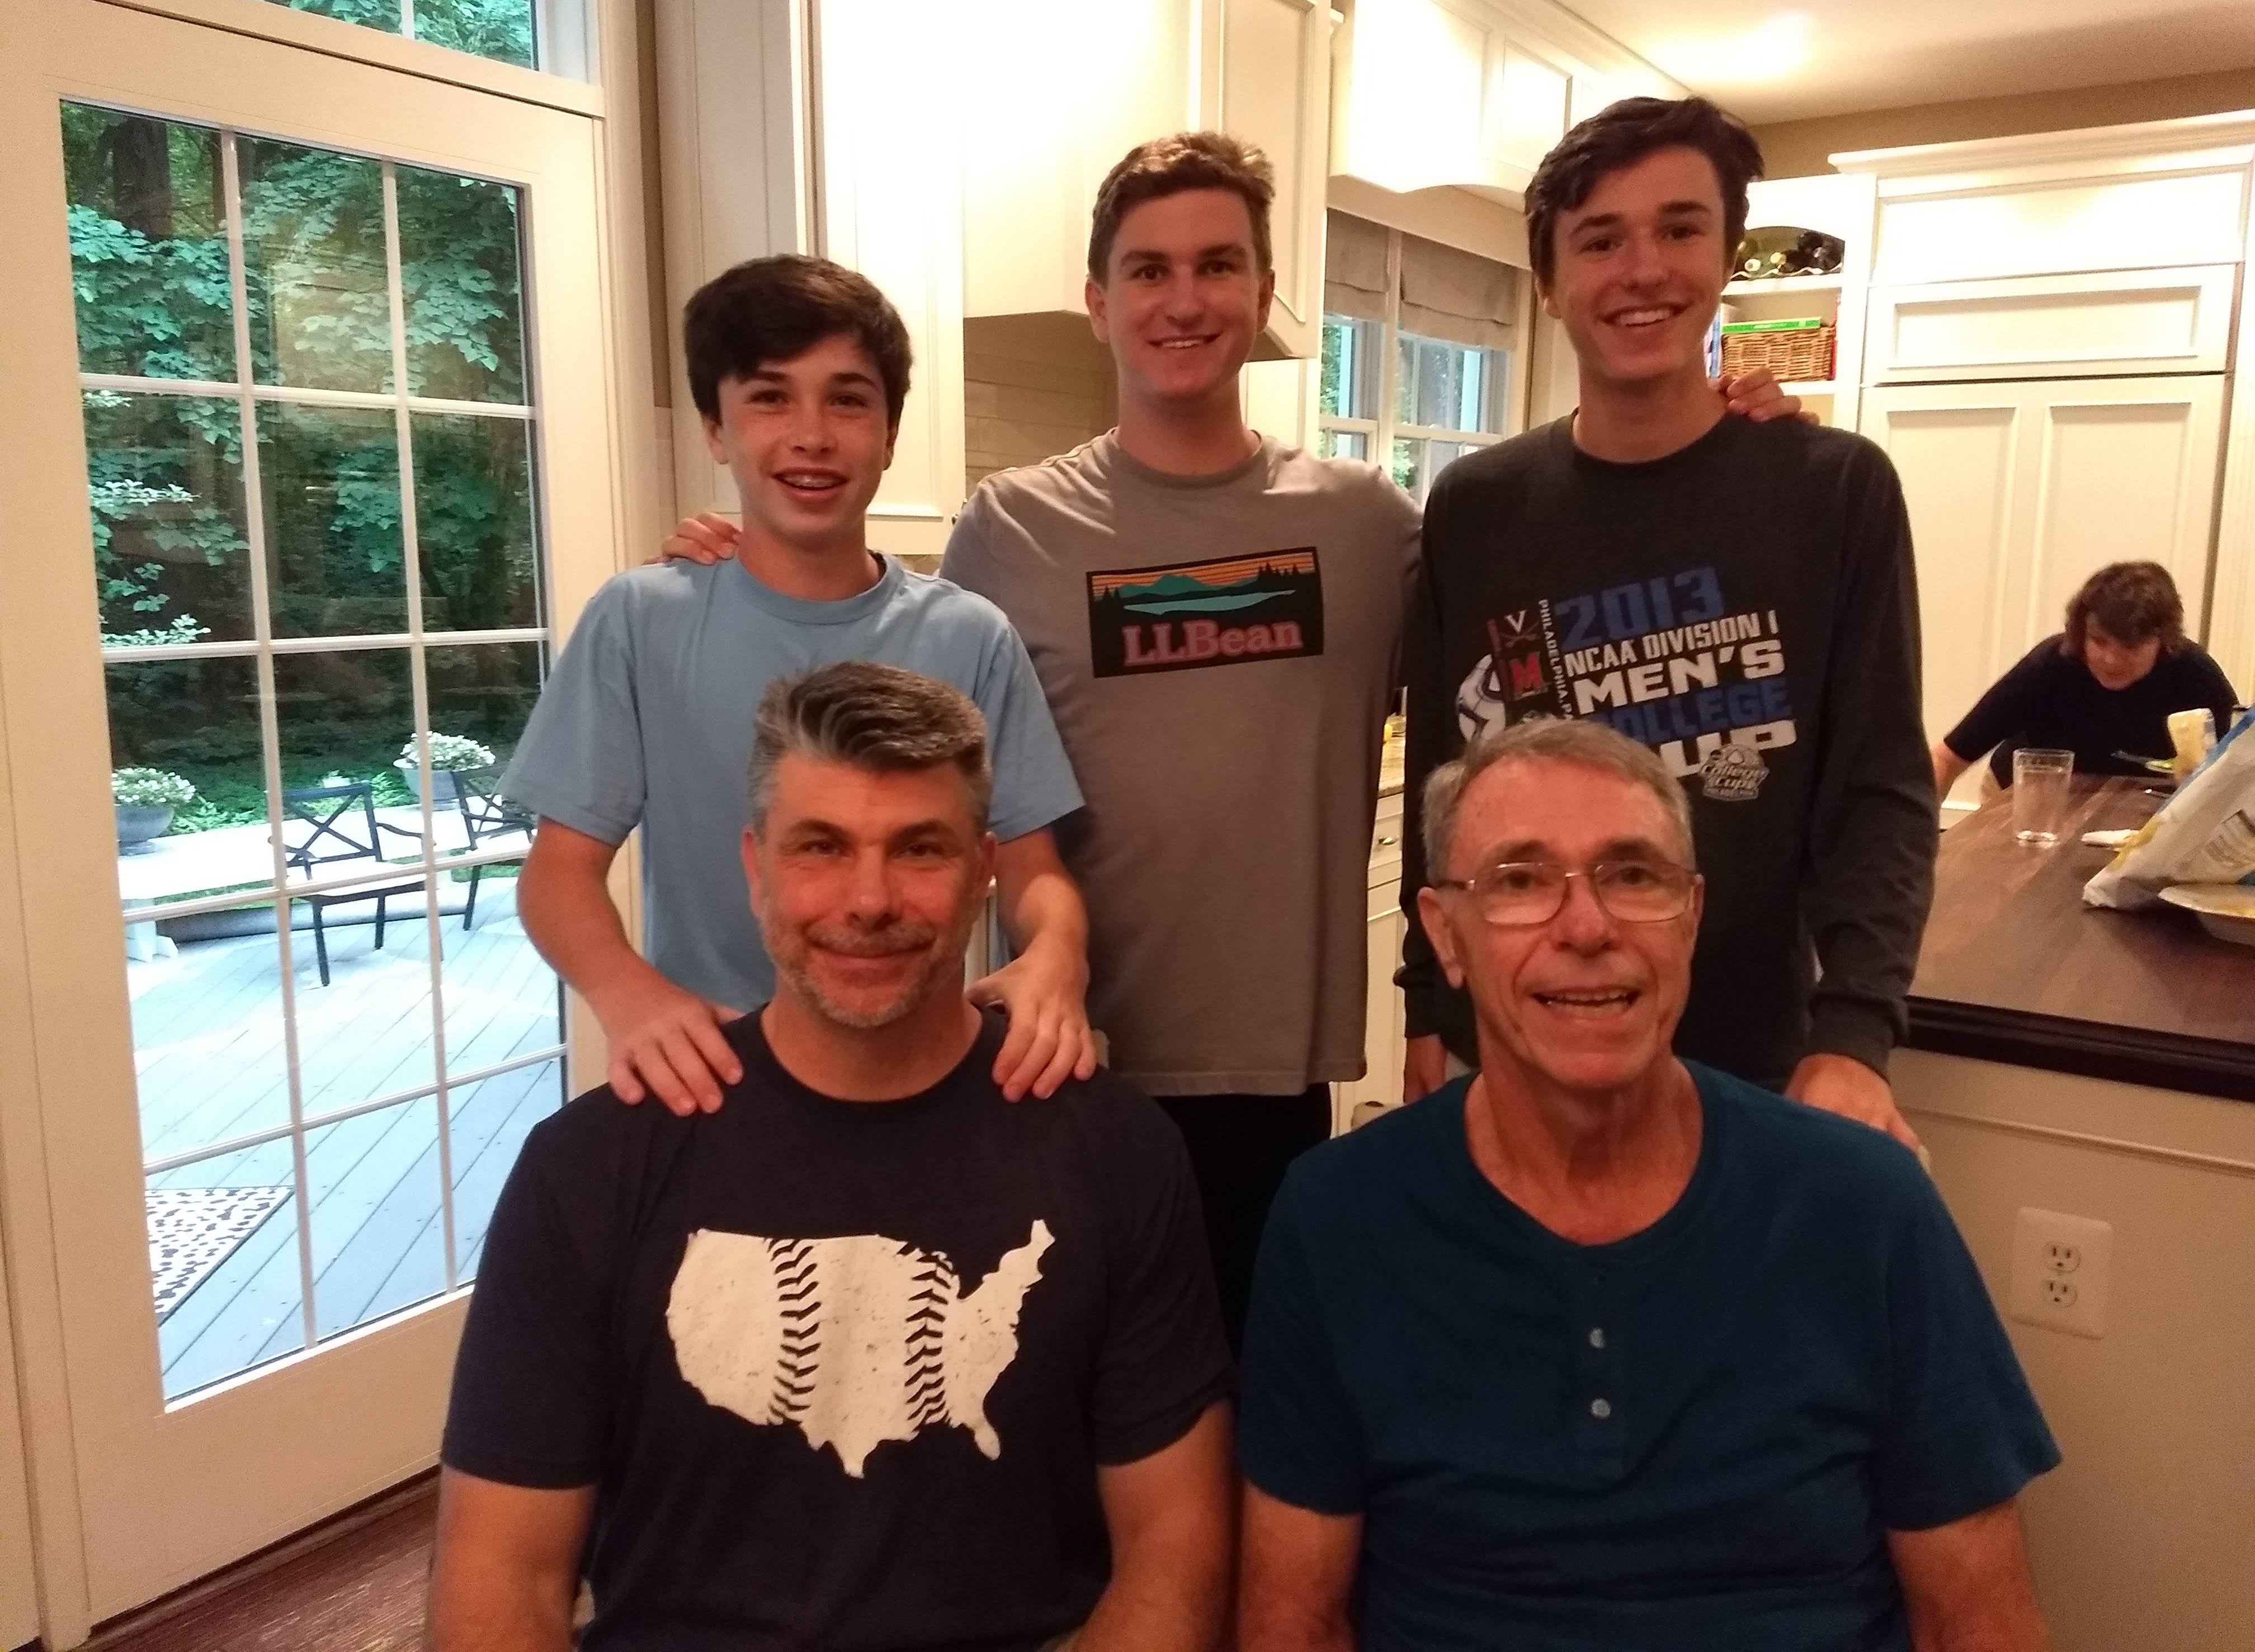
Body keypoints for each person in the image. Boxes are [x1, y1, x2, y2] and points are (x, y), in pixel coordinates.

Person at [658, 136, 1804, 1350]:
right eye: (1147, 271)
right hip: (1057, 1055)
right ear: (1098, 302)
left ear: (1263, 297)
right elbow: (881, 722)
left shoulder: (1368, 527)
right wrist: (747, 566)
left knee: (1261, 1393)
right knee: (1052, 1387)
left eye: (1217, 266)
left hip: (1273, 1074)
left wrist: (1710, 444)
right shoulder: (1011, 527)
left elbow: (1547, 646)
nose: (1184, 299)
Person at [430, 663, 1235, 1652]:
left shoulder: (1114, 1147)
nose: (869, 899)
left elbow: (1175, 1549)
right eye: (820, 846)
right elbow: (500, 1574)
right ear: (755, 866)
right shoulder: (590, 1167)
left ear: (984, 870)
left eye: (920, 849)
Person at [1237, 716, 2059, 1651]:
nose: (1587, 927)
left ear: (1691, 917)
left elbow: (1979, 1620)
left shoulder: (1864, 1206)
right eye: (1519, 881)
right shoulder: (1337, 1219)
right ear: (1446, 936)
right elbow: (1293, 1619)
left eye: (1632, 875)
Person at [1398, 95, 1937, 1149]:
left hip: (1753, 1063)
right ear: (1549, 282)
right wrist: (1430, 1002)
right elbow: (1440, 778)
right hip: (1512, 1051)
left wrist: (1855, 1030)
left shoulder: (1831, 491)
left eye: (1679, 229)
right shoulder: (1477, 505)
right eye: (1601, 240)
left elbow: (1878, 785)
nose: (1643, 269)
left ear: (1725, 257)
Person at [503, 255, 1095, 1116]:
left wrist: (1057, 954)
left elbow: (1036, 870)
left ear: (891, 434)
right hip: (715, 1075)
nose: (811, 435)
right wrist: (628, 993)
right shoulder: (642, 621)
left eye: (848, 400)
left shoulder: (971, 636)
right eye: (770, 398)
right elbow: (559, 873)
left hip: (925, 1072)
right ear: (715, 429)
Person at [1933, 559, 2240, 795]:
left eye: (2130, 647)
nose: (2110, 660)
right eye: (2099, 641)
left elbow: (2241, 768)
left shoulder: (2193, 673)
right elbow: (1947, 759)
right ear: (2081, 632)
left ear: (2164, 642)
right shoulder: (2050, 666)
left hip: (2139, 799)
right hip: (2026, 794)